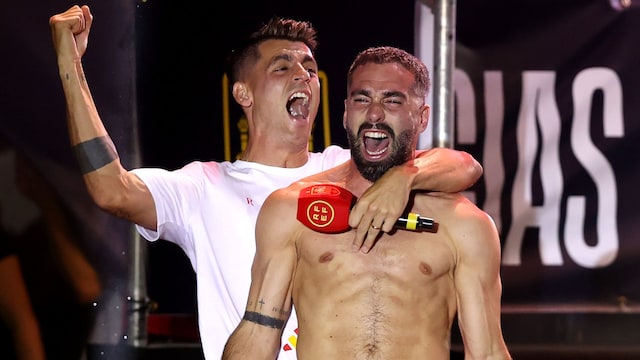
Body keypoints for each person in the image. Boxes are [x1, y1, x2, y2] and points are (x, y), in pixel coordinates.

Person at [49, 5, 483, 359]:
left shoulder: (348, 166)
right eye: (283, 67)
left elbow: (463, 166)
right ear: (244, 94)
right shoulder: (204, 186)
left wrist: (405, 177)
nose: (304, 76)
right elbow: (110, 188)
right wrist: (70, 67)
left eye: (310, 68)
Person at [223, 46, 511, 359]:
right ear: (346, 112)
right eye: (362, 99)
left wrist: (404, 179)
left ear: (422, 116)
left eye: (392, 100)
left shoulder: (464, 224)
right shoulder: (292, 208)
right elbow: (259, 329)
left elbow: (487, 353)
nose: (374, 113)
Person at [0, 136, 102, 360]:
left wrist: (45, 197)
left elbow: (88, 289)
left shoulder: (71, 228)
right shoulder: (27, 238)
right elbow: (22, 324)